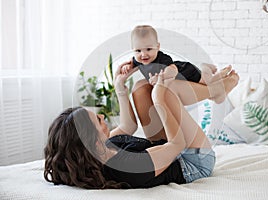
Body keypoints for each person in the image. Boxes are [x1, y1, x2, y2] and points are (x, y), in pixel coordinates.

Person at [44, 63, 239, 189]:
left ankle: (215, 91)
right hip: (192, 161)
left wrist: (121, 88)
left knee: (140, 88)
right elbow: (177, 145)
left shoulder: (100, 151)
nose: (103, 116)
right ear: (93, 143)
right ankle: (216, 91)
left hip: (163, 150)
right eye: (99, 120)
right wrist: (160, 99)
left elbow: (128, 126)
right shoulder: (128, 166)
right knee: (168, 89)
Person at [121, 25, 233, 102]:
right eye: (138, 51)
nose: (143, 54)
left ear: (157, 47)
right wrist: (128, 66)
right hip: (181, 83)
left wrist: (161, 77)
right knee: (209, 95)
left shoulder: (162, 58)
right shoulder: (137, 60)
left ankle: (205, 68)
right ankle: (221, 78)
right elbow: (132, 63)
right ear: (133, 49)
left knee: (206, 83)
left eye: (149, 49)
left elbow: (173, 70)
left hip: (186, 73)